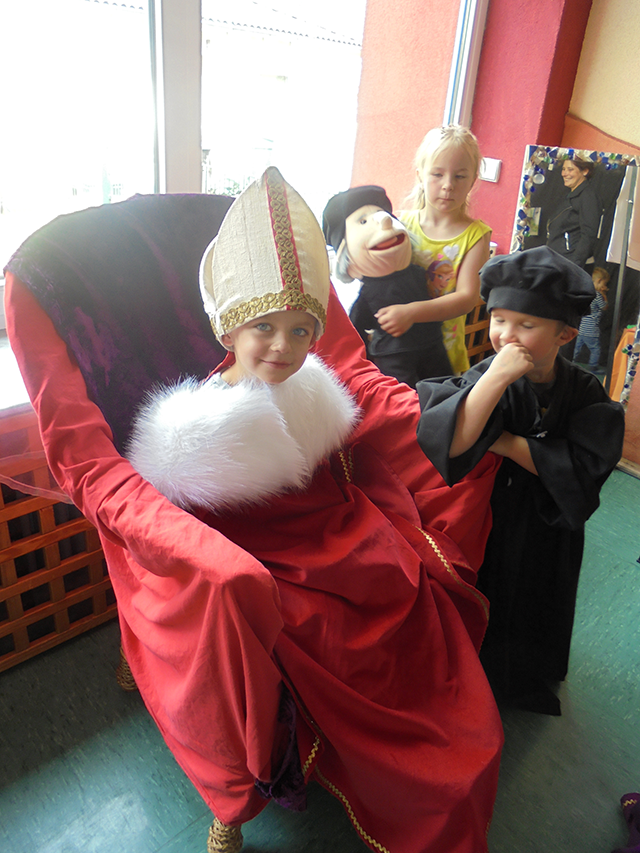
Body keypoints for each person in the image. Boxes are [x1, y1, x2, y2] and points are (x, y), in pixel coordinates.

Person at [122, 168, 504, 853]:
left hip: (343, 532)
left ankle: (425, 745)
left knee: (404, 588)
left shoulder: (312, 388)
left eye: (302, 330)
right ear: (230, 326)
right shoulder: (189, 436)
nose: (282, 347)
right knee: (333, 629)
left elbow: (338, 478)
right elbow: (193, 536)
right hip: (269, 570)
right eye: (263, 327)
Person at [415, 246, 625, 716]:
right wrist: (495, 379)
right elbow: (452, 442)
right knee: (491, 590)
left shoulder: (585, 390)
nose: (507, 335)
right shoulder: (490, 373)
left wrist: (506, 442)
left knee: (538, 592)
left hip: (550, 522)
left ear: (565, 334)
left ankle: (530, 670)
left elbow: (584, 467)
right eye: (499, 319)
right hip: (493, 512)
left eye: (526, 325)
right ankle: (480, 673)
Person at [380, 125, 492, 374]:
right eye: (437, 174)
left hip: (443, 359)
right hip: (398, 352)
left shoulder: (476, 236)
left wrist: (411, 312)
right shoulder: (401, 224)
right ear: (420, 175)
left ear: (473, 180)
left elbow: (466, 299)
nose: (448, 185)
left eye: (460, 176)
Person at [322, 184, 451, 387]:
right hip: (393, 358)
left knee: (447, 393)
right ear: (348, 262)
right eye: (363, 221)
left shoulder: (418, 273)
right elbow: (356, 328)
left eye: (382, 213)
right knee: (404, 405)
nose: (384, 220)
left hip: (433, 346)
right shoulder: (369, 292)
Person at [546, 157, 602, 269]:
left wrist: (574, 265)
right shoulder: (572, 196)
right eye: (563, 169)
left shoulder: (587, 196)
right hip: (558, 260)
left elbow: (589, 234)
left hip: (570, 264)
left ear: (585, 171)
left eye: (570, 169)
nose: (564, 173)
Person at [573, 266, 610, 371]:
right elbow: (604, 307)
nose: (605, 286)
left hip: (581, 327)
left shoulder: (586, 292)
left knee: (576, 348)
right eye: (604, 283)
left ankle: (571, 362)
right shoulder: (598, 295)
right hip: (591, 330)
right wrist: (604, 295)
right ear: (599, 281)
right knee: (595, 349)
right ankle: (593, 366)